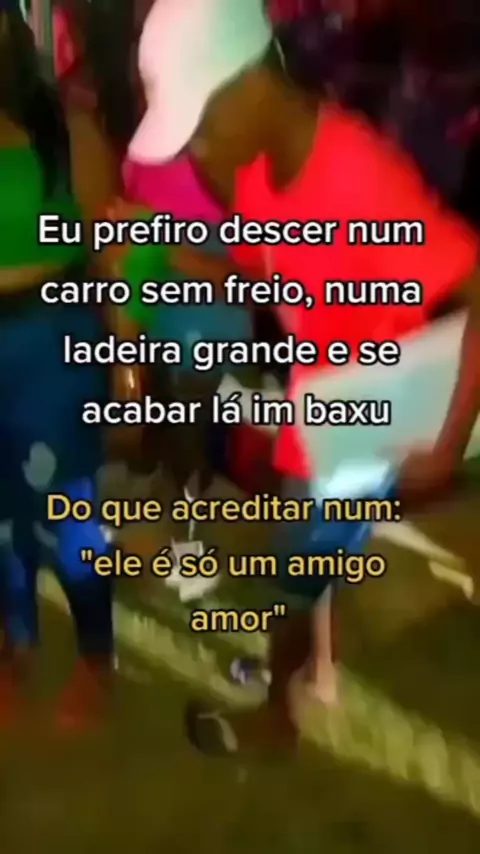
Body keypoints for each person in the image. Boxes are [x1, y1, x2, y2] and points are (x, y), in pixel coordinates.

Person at [128, 0, 480, 754]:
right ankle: (307, 678)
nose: (198, 150)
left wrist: (447, 440)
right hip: (323, 403)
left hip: (379, 409)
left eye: (203, 125)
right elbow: (271, 282)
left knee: (291, 572)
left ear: (256, 82)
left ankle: (277, 718)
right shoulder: (259, 170)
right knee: (301, 563)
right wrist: (163, 256)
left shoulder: (361, 177)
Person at [0, 0, 135, 732]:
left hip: (52, 337)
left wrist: (128, 366)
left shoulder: (67, 126)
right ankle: (14, 645)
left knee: (67, 511)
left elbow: (117, 251)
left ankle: (95, 658)